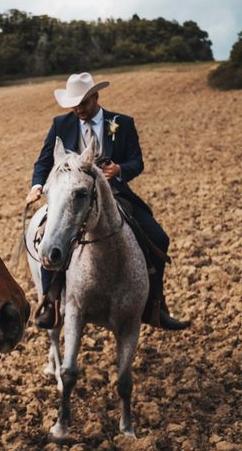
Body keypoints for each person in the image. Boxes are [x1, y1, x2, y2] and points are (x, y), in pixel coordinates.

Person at [26, 72, 189, 331]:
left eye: (84, 103)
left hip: (114, 195)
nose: (78, 109)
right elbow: (44, 159)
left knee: (159, 238)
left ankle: (156, 306)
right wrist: (36, 185)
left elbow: (137, 161)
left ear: (95, 96)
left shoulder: (122, 123)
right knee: (46, 237)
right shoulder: (60, 124)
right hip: (70, 197)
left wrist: (120, 169)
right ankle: (50, 301)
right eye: (74, 104)